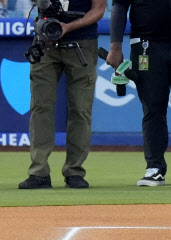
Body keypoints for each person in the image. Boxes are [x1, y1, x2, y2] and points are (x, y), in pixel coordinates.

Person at [106, 0, 171, 187]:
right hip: (146, 46)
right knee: (153, 107)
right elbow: (120, 6)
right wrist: (115, 47)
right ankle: (154, 167)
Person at [18, 0, 106, 189]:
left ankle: (74, 171)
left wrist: (68, 26)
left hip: (82, 42)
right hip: (45, 41)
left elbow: (98, 10)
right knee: (40, 107)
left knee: (80, 109)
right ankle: (39, 172)